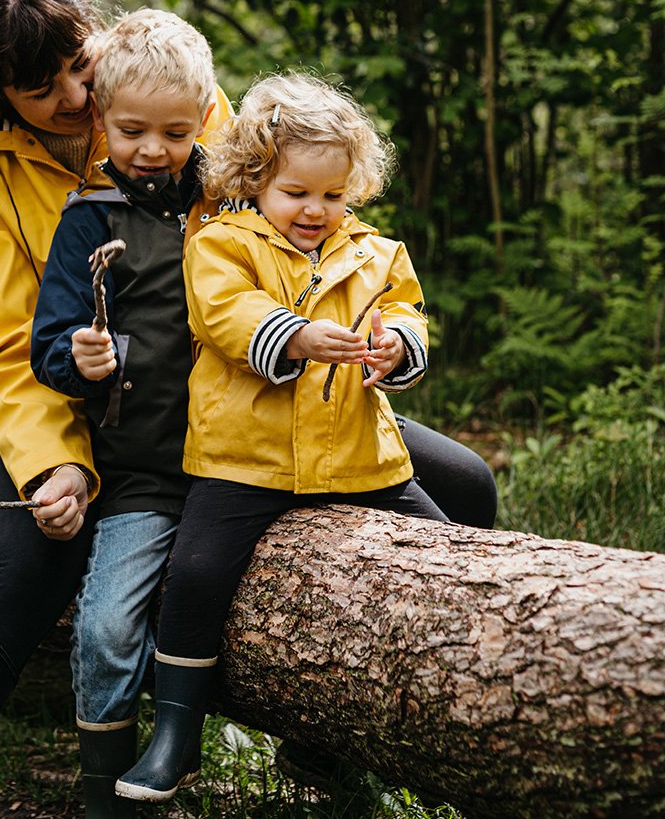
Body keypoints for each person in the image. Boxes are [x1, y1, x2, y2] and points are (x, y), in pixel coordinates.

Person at [0, 0, 492, 819]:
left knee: (463, 480)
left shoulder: (159, 76)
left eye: (79, 65)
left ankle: (328, 737)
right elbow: (8, 350)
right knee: (21, 569)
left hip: (234, 395)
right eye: (46, 91)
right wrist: (56, 464)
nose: (80, 98)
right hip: (97, 414)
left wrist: (338, 336)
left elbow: (272, 220)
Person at [115, 73, 450, 803]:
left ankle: (383, 734)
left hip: (362, 456)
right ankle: (175, 732)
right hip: (246, 459)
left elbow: (407, 311)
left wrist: (398, 349)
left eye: (333, 196)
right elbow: (225, 315)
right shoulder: (221, 244)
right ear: (257, 177)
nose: (316, 211)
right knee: (197, 574)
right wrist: (294, 336)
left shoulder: (373, 252)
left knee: (445, 552)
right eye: (298, 192)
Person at [30, 8, 218, 817]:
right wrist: (80, 357)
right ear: (101, 118)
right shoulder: (87, 221)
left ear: (206, 115)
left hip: (243, 464)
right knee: (107, 629)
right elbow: (45, 349)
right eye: (133, 129)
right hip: (143, 471)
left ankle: (316, 750)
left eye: (175, 132)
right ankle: (105, 790)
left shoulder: (236, 198)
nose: (152, 150)